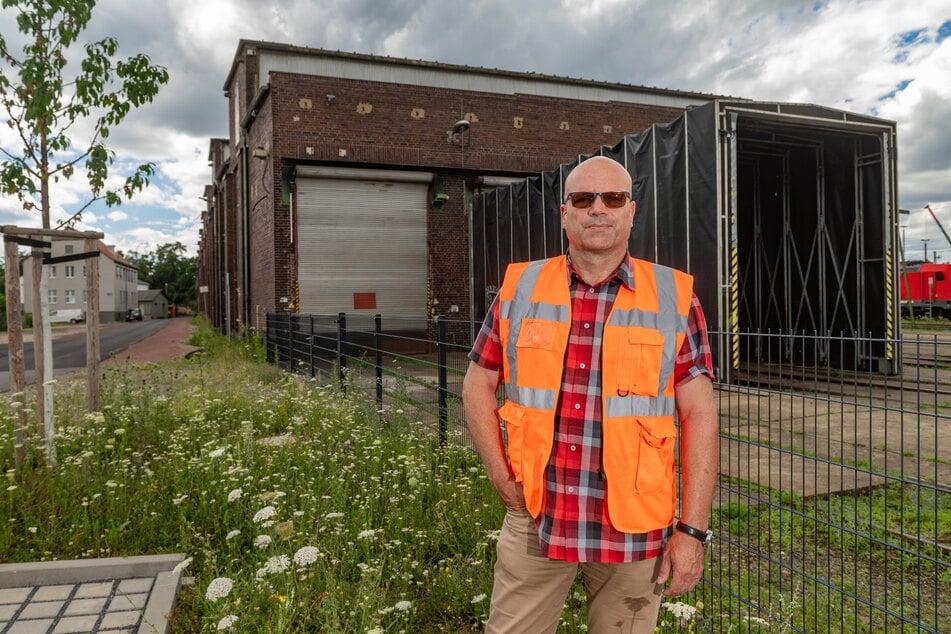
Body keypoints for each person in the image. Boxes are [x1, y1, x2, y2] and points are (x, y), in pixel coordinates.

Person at [462, 156, 719, 633]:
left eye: (613, 198)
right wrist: (500, 476)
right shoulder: (521, 288)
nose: (598, 208)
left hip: (633, 529)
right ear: (565, 213)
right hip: (538, 515)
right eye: (583, 199)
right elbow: (477, 381)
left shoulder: (674, 298)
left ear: (631, 211)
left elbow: (700, 413)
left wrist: (691, 530)